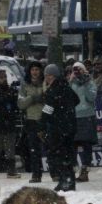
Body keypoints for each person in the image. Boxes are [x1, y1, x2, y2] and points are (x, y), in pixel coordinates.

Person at [42, 63, 79, 192]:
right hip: (70, 126)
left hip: (58, 127)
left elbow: (48, 109)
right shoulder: (66, 87)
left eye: (47, 76)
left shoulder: (53, 90)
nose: (45, 78)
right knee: (68, 154)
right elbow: (77, 100)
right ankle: (69, 180)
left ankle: (65, 180)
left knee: (58, 155)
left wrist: (42, 123)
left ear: (51, 76)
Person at [0, 69, 20, 178]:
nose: (4, 79)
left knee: (10, 149)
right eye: (1, 77)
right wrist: (4, 98)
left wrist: (12, 96)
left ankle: (11, 170)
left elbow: (16, 106)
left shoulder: (11, 90)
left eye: (5, 77)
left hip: (9, 123)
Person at [68, 62, 97, 183]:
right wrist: (70, 82)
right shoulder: (71, 83)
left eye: (79, 70)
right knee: (72, 145)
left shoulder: (90, 82)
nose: (77, 72)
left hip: (87, 116)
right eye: (75, 70)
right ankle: (72, 170)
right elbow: (66, 97)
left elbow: (92, 98)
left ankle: (84, 171)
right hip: (74, 117)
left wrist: (85, 83)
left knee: (86, 145)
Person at [18, 61, 46, 183]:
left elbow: (51, 101)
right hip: (31, 120)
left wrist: (43, 100)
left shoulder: (45, 84)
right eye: (33, 70)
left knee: (51, 148)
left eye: (37, 70)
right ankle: (36, 174)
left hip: (45, 119)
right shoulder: (25, 86)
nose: (35, 72)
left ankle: (55, 172)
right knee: (34, 149)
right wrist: (32, 98)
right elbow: (20, 104)